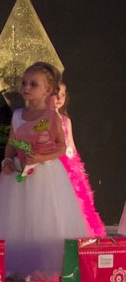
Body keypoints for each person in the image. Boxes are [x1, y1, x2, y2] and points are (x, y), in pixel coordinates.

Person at [0, 62, 92, 280]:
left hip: (46, 173)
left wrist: (40, 157)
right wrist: (7, 161)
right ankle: (19, 266)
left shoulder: (52, 116)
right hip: (19, 172)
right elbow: (12, 142)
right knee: (18, 218)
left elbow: (60, 146)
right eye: (24, 83)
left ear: (48, 90)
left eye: (33, 84)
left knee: (44, 216)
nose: (26, 87)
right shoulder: (18, 114)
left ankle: (55, 265)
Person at [52, 82, 105, 237]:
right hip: (54, 162)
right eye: (56, 94)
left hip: (69, 164)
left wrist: (76, 166)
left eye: (63, 94)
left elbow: (72, 145)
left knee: (78, 200)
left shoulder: (65, 120)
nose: (59, 98)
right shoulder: (44, 120)